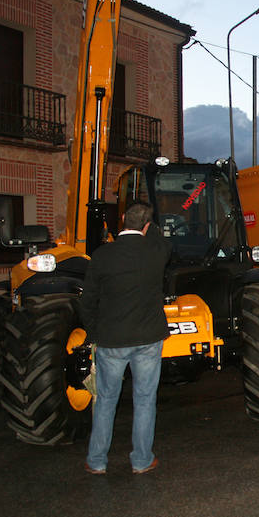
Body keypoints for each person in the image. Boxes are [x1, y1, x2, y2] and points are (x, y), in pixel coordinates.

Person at [79, 202, 172, 475]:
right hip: (148, 339)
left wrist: (95, 332)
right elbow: (159, 239)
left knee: (106, 400)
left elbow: (87, 303)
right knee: (144, 399)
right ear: (147, 226)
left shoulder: (102, 255)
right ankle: (141, 460)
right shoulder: (157, 251)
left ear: (121, 219)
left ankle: (96, 461)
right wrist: (150, 225)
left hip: (111, 340)